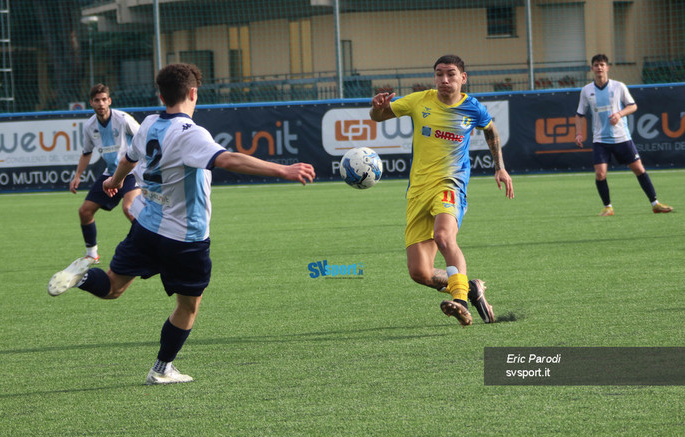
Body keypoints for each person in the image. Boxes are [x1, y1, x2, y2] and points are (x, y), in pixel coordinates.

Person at [47, 63, 316, 384]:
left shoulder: (148, 123)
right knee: (188, 307)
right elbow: (227, 159)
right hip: (185, 238)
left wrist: (113, 182)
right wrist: (283, 170)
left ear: (161, 95)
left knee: (112, 288)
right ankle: (161, 370)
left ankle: (79, 278)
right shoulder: (191, 133)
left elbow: (128, 159)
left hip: (146, 227)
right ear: (193, 93)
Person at [370, 54, 514, 327]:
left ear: (463, 78)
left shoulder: (472, 108)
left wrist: (500, 167)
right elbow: (379, 117)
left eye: (450, 74)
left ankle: (460, 302)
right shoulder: (419, 100)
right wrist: (377, 107)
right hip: (417, 192)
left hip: (451, 183)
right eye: (439, 74)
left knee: (444, 236)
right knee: (420, 272)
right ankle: (471, 288)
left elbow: (491, 131)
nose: (444, 80)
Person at [575, 54, 673, 216]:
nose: (599, 68)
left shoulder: (618, 86)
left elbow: (632, 106)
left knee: (639, 169)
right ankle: (608, 207)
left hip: (622, 138)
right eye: (596, 65)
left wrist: (619, 114)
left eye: (602, 65)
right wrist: (578, 133)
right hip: (600, 140)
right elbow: (580, 114)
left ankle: (655, 203)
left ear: (607, 68)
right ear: (592, 69)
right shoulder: (586, 90)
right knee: (600, 173)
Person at [70, 84, 141, 268]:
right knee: (84, 211)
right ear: (91, 103)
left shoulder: (123, 119)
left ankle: (146, 249)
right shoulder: (89, 126)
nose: (101, 104)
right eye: (97, 100)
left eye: (104, 100)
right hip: (110, 173)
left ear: (109, 101)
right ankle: (92, 255)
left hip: (132, 172)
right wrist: (78, 175)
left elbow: (144, 137)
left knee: (129, 209)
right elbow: (87, 152)